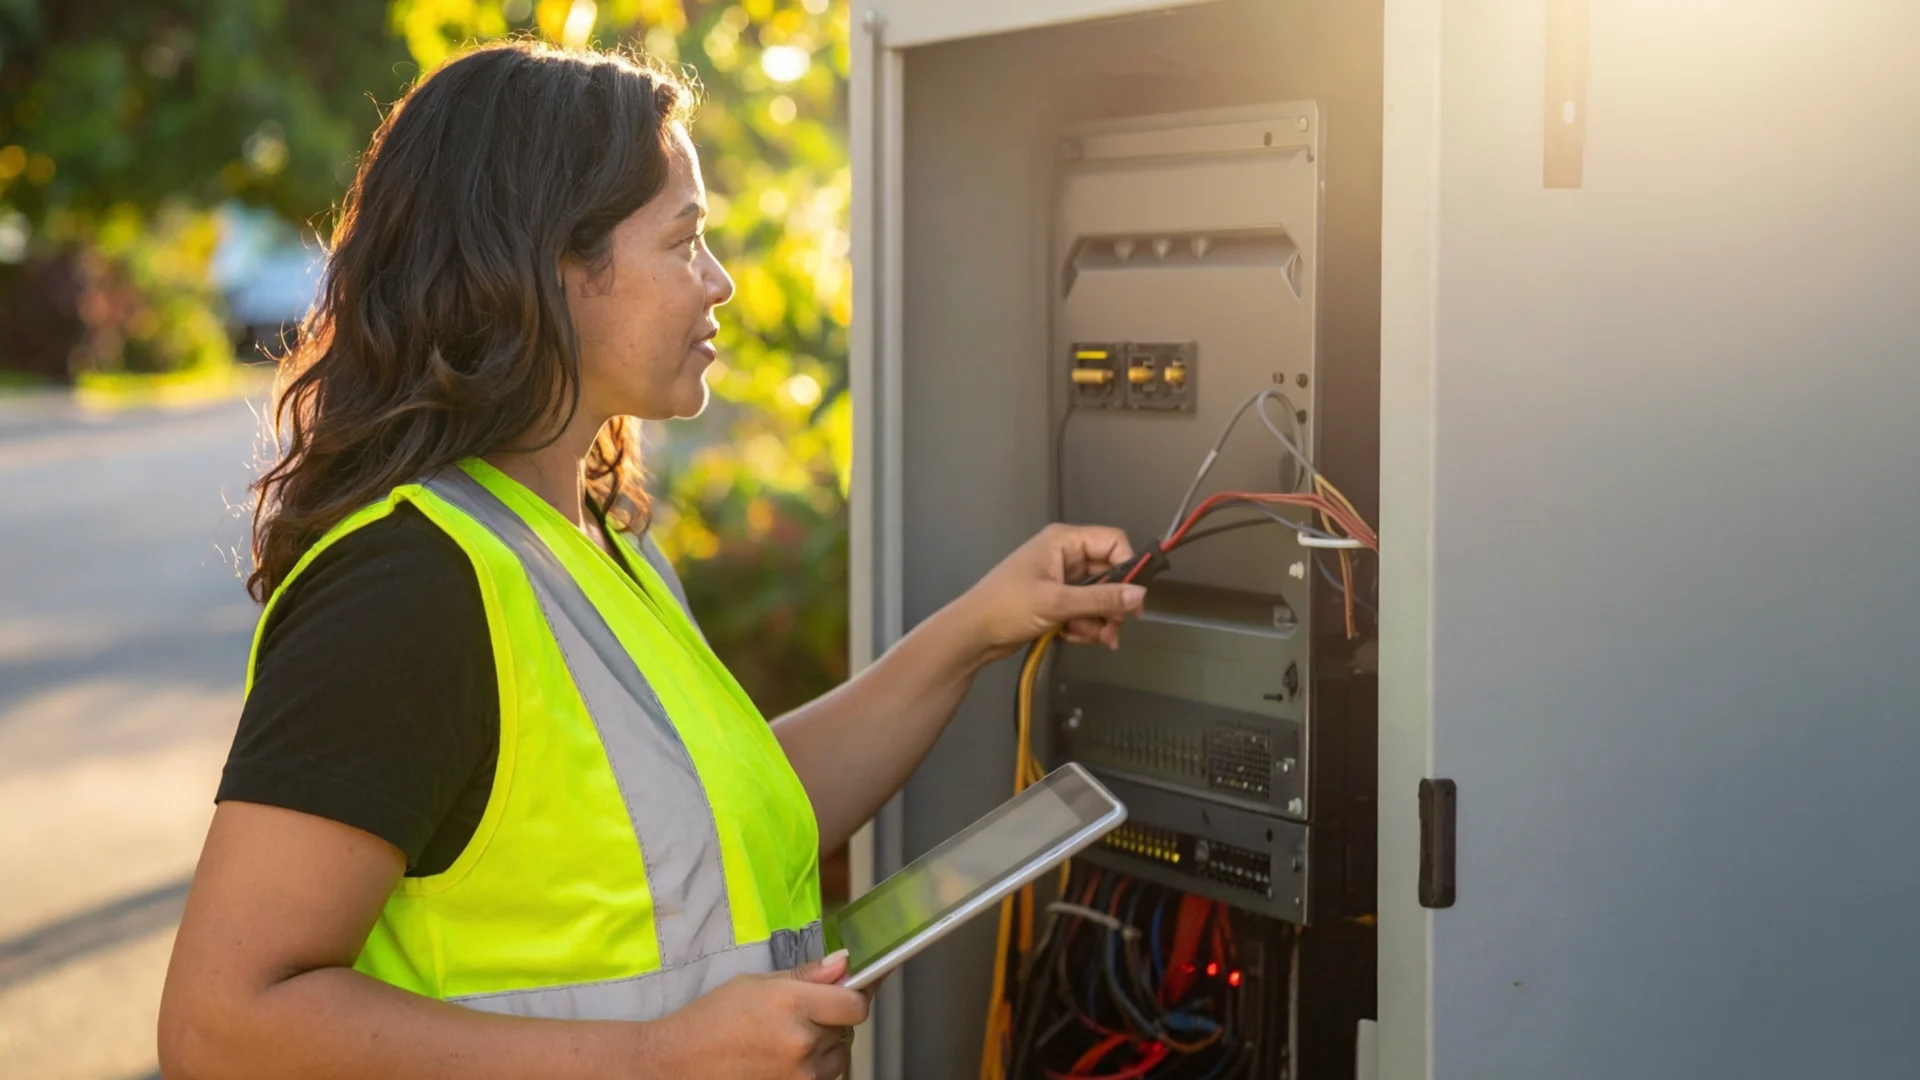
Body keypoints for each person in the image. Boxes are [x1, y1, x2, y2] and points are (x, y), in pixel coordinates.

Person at [156, 41, 1146, 1080]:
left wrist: (982, 625)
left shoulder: (588, 541)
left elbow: (726, 826)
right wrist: (654, 1056)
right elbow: (222, 1028)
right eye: (686, 242)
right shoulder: (410, 587)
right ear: (550, 266)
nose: (718, 282)